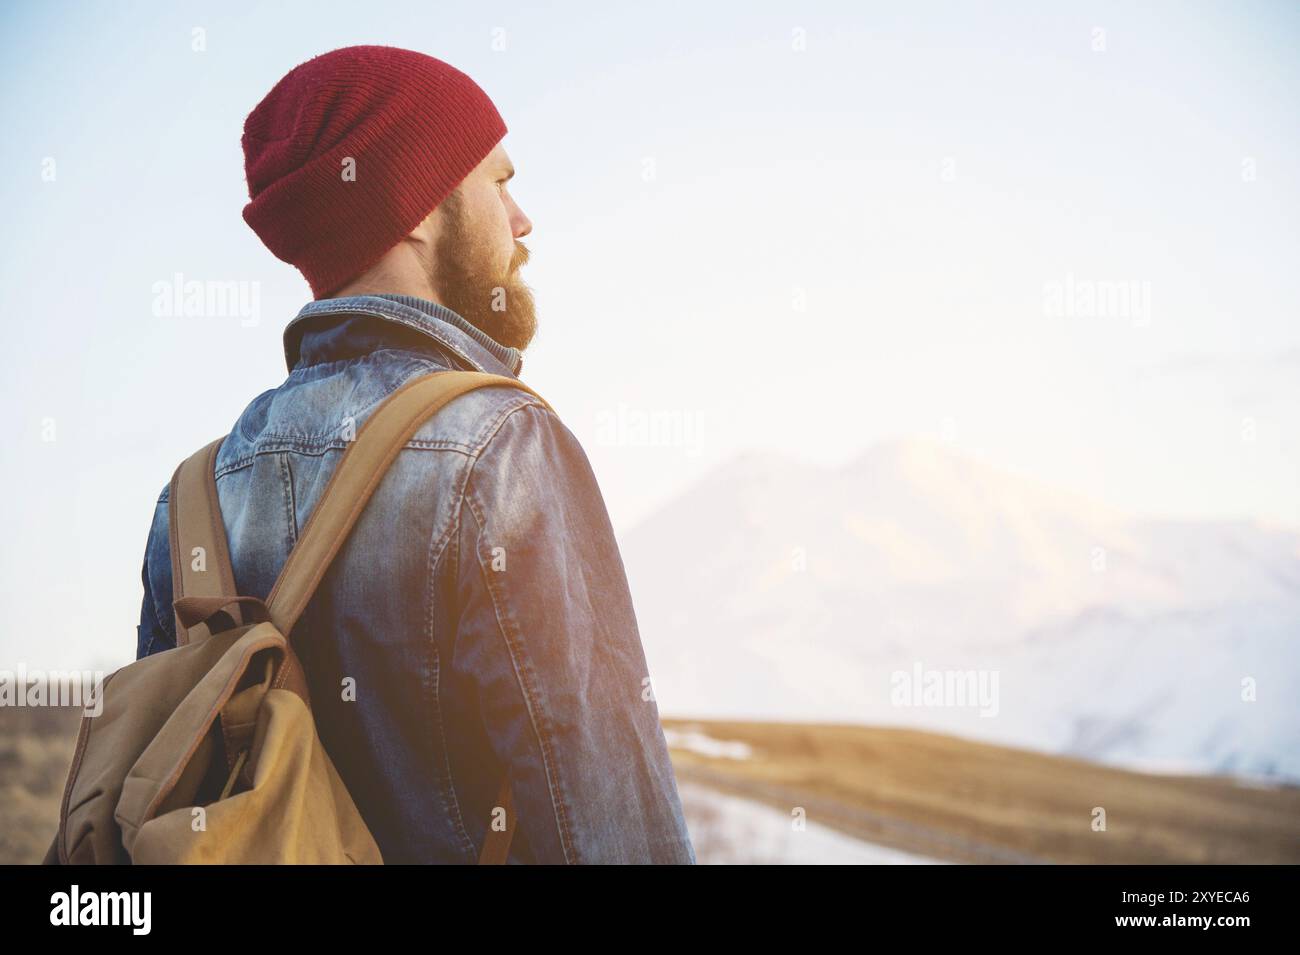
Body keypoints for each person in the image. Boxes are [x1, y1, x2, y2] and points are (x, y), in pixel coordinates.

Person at [134, 45, 696, 865]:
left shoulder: (191, 495)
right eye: (498, 182)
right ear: (420, 207)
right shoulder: (504, 448)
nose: (523, 218)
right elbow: (611, 829)